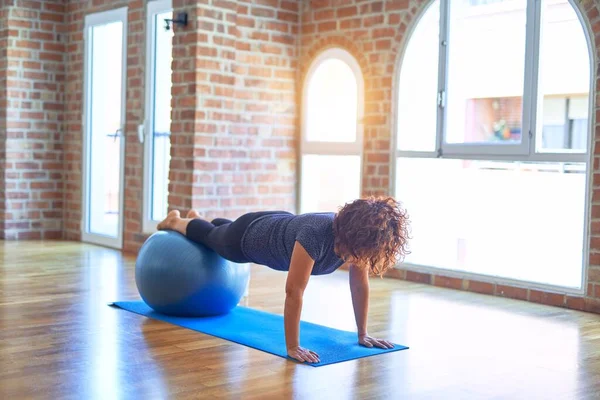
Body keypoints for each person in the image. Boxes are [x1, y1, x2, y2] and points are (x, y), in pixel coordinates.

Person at [157, 196, 410, 364]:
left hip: (276, 223)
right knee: (217, 240)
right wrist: (292, 347)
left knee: (222, 231)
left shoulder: (355, 244)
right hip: (248, 238)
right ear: (354, 233)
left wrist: (363, 334)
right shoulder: (315, 235)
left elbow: (358, 284)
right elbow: (294, 291)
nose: (366, 257)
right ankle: (178, 221)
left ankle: (196, 218)